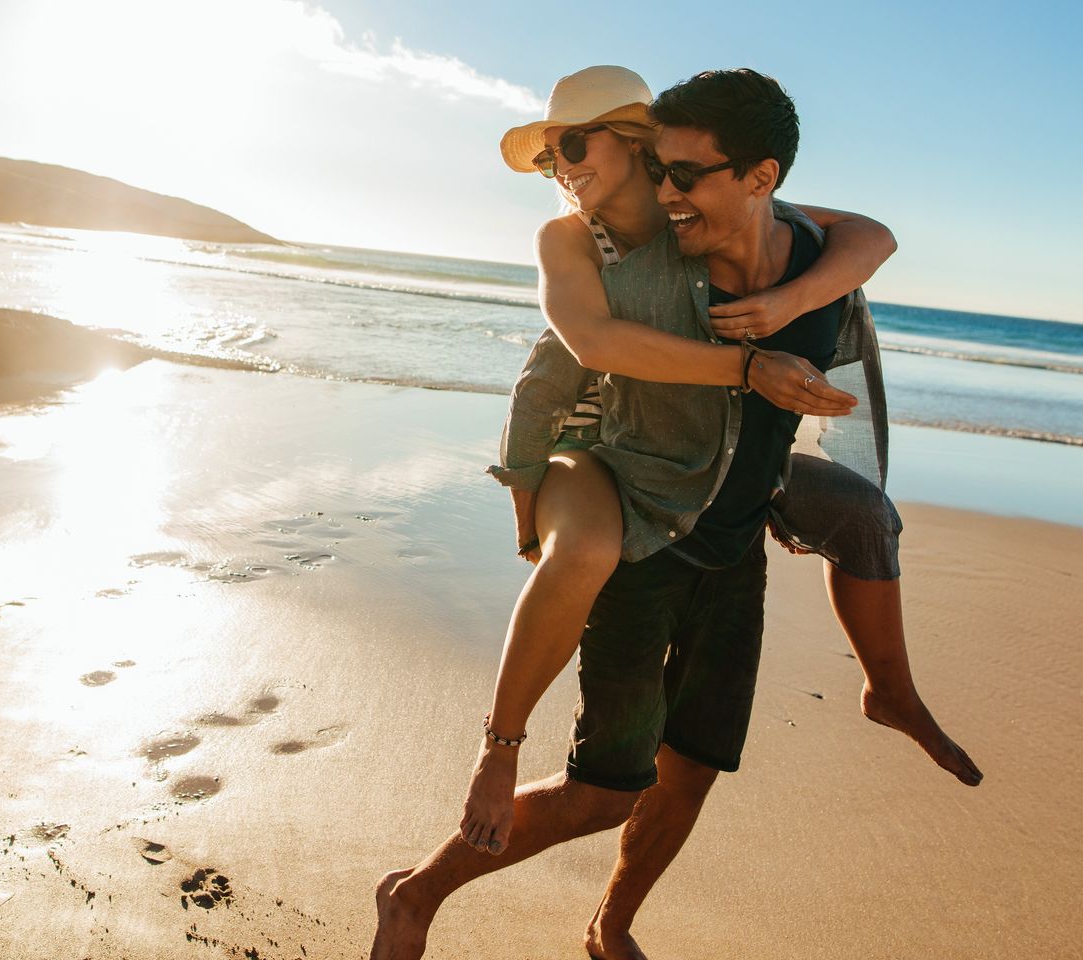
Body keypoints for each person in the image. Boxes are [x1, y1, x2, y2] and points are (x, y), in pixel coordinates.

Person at [371, 68, 977, 960]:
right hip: (644, 528)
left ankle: (611, 925)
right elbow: (572, 353)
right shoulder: (610, 248)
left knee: (694, 768)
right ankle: (418, 893)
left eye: (574, 145)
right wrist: (527, 492)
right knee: (606, 789)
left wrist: (790, 304)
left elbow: (869, 237)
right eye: (550, 154)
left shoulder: (772, 242)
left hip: (735, 548)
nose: (561, 166)